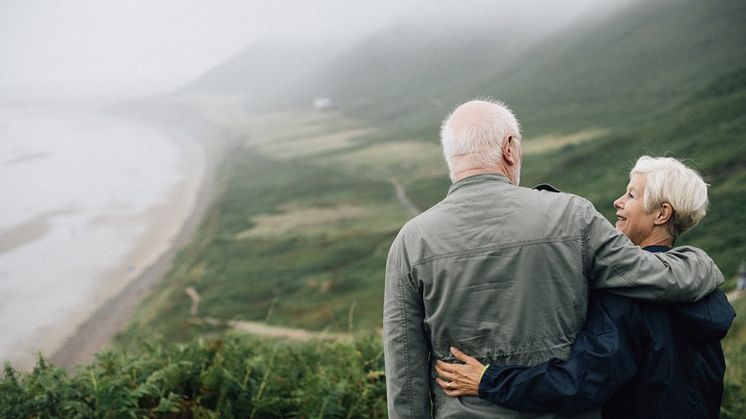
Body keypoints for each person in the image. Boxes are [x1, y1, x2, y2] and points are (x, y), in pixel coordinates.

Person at [383, 99, 724, 418]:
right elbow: (654, 277)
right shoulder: (572, 216)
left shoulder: (410, 242)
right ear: (509, 148)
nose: (620, 202)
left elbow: (405, 374)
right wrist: (701, 263)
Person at [435, 156, 735, 418]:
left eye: (631, 195)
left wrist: (488, 380)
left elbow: (579, 384)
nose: (618, 201)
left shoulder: (627, 296)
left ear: (661, 214)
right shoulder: (703, 290)